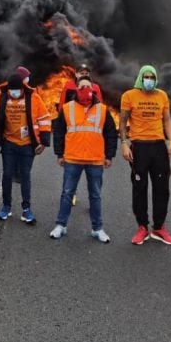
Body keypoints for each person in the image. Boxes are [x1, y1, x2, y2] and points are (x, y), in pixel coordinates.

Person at [49, 76, 117, 243]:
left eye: (87, 86)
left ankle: (97, 228)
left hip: (95, 160)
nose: (85, 89)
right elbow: (58, 132)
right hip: (72, 158)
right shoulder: (67, 108)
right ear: (76, 89)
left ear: (93, 90)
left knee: (95, 195)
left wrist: (109, 156)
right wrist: (59, 154)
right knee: (67, 193)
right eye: (81, 87)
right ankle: (61, 225)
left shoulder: (103, 110)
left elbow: (110, 134)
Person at [121, 65, 171, 245]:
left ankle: (159, 228)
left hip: (158, 147)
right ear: (140, 78)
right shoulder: (129, 96)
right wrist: (124, 144)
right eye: (146, 77)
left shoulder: (162, 95)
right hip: (139, 147)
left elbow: (167, 119)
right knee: (140, 188)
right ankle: (142, 227)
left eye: (152, 77)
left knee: (162, 188)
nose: (149, 80)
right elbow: (122, 122)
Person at [0, 72, 52, 225]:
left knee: (25, 176)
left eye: (17, 90)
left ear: (23, 88)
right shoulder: (1, 97)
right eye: (12, 90)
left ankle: (26, 209)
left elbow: (44, 119)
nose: (14, 92)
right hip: (8, 143)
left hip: (27, 145)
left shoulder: (34, 98)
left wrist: (43, 142)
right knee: (7, 174)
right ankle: (6, 207)